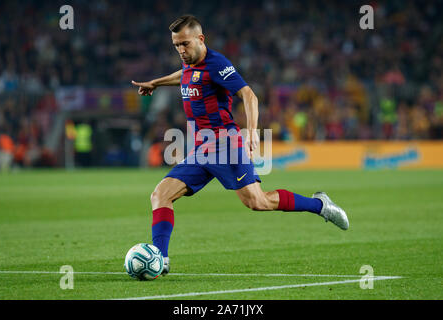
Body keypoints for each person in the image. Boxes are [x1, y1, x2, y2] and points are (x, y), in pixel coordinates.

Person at [131, 15, 349, 275]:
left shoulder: (217, 64)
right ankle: (161, 259)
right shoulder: (189, 64)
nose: (180, 50)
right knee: (160, 195)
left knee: (257, 202)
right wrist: (156, 83)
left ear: (201, 39)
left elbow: (249, 94)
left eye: (185, 44)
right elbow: (185, 75)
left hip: (225, 145)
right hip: (201, 149)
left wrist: (252, 132)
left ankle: (320, 205)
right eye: (176, 45)